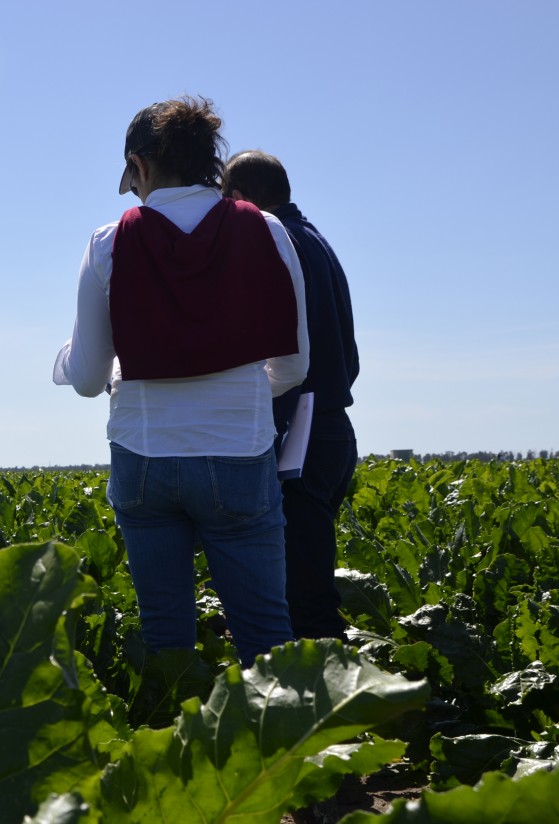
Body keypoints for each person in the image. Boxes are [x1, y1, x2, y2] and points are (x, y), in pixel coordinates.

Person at [53, 97, 309, 667]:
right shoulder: (266, 230)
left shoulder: (108, 242)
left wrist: (66, 361)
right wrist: (233, 387)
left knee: (166, 634)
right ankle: (281, 748)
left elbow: (90, 378)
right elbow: (293, 367)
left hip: (143, 455)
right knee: (265, 633)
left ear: (139, 167)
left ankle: (170, 744)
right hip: (239, 452)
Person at [222, 149, 360, 641]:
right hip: (333, 428)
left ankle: (329, 709)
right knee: (304, 585)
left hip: (304, 435)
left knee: (305, 601)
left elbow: (283, 362)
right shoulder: (315, 240)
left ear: (239, 199)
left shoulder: (280, 245)